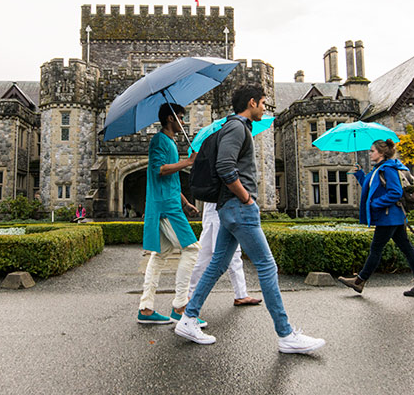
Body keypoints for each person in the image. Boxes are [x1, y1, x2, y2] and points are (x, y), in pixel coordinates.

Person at [175, 85, 326, 354]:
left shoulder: (235, 127)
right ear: (252, 102)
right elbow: (224, 166)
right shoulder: (237, 127)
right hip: (239, 208)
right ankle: (286, 334)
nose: (265, 108)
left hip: (230, 209)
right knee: (267, 266)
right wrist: (246, 198)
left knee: (217, 265)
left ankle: (188, 318)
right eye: (263, 104)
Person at [338, 139, 414, 297]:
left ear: (381, 153)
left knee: (376, 249)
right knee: (407, 249)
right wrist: (360, 174)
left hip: (388, 217)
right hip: (393, 217)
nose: (370, 153)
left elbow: (395, 192)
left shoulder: (387, 169)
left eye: (372, 151)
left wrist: (376, 204)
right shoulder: (379, 168)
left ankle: (359, 282)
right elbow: (373, 189)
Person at [137, 103, 204, 325]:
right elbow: (160, 169)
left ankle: (146, 309)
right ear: (170, 119)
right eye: (181, 118)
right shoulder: (159, 141)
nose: (183, 122)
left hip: (171, 202)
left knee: (160, 255)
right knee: (192, 250)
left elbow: (170, 179)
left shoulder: (170, 142)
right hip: (166, 206)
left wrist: (185, 202)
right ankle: (180, 306)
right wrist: (188, 162)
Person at [189, 201, 262, 306]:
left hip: (213, 214)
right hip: (223, 212)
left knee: (204, 257)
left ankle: (187, 294)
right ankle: (241, 294)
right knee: (231, 256)